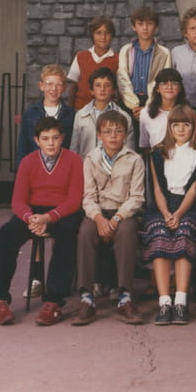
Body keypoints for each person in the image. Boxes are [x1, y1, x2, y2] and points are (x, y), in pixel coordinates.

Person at [0, 117, 83, 326]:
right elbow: (18, 200)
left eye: (55, 138)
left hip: (61, 212)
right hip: (32, 212)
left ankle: (53, 302)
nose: (51, 143)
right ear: (37, 140)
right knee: (5, 235)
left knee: (68, 236)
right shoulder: (28, 161)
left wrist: (49, 217)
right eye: (45, 138)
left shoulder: (74, 160)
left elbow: (74, 200)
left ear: (62, 138)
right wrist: (30, 218)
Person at [72, 111, 145, 326]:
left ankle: (125, 298)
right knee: (85, 232)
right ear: (99, 135)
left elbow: (137, 197)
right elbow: (88, 196)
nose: (113, 136)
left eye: (118, 131)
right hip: (98, 212)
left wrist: (117, 218)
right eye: (107, 131)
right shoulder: (91, 159)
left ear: (125, 134)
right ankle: (87, 298)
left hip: (123, 212)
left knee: (126, 232)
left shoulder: (134, 159)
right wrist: (99, 219)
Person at [139, 105, 196, 325]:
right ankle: (165, 301)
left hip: (187, 206)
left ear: (193, 127)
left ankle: (181, 302)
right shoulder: (158, 153)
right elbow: (157, 189)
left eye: (186, 125)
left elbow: (193, 189)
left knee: (184, 235)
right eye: (176, 125)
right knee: (160, 235)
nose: (181, 129)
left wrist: (179, 213)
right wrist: (167, 212)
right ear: (170, 127)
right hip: (162, 206)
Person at [117, 6, 172, 123]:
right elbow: (122, 79)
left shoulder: (164, 53)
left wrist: (148, 107)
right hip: (129, 103)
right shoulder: (126, 50)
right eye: (140, 24)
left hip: (154, 103)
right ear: (134, 27)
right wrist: (133, 105)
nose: (145, 28)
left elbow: (163, 82)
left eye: (150, 23)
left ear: (156, 27)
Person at [16, 64, 75, 168]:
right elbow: (23, 146)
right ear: (41, 86)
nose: (54, 89)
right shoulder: (30, 113)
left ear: (64, 87)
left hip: (63, 168)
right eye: (49, 84)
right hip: (35, 168)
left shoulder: (71, 115)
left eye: (58, 84)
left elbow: (74, 146)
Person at [69, 67, 134, 158]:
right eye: (98, 85)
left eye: (107, 85)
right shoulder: (81, 115)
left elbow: (129, 151)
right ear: (92, 90)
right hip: (87, 164)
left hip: (115, 164)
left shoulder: (124, 117)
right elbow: (74, 147)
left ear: (113, 90)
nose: (102, 89)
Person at [67, 15, 119, 111]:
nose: (103, 37)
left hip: (107, 112)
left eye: (107, 33)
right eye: (98, 33)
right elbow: (73, 86)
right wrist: (70, 110)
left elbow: (119, 89)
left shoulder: (117, 59)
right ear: (92, 35)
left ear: (112, 35)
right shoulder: (81, 56)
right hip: (80, 109)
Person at [139, 68, 188, 153]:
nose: (169, 87)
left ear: (180, 88)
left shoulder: (188, 112)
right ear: (157, 89)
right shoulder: (146, 113)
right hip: (156, 157)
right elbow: (145, 145)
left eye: (174, 83)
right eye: (164, 83)